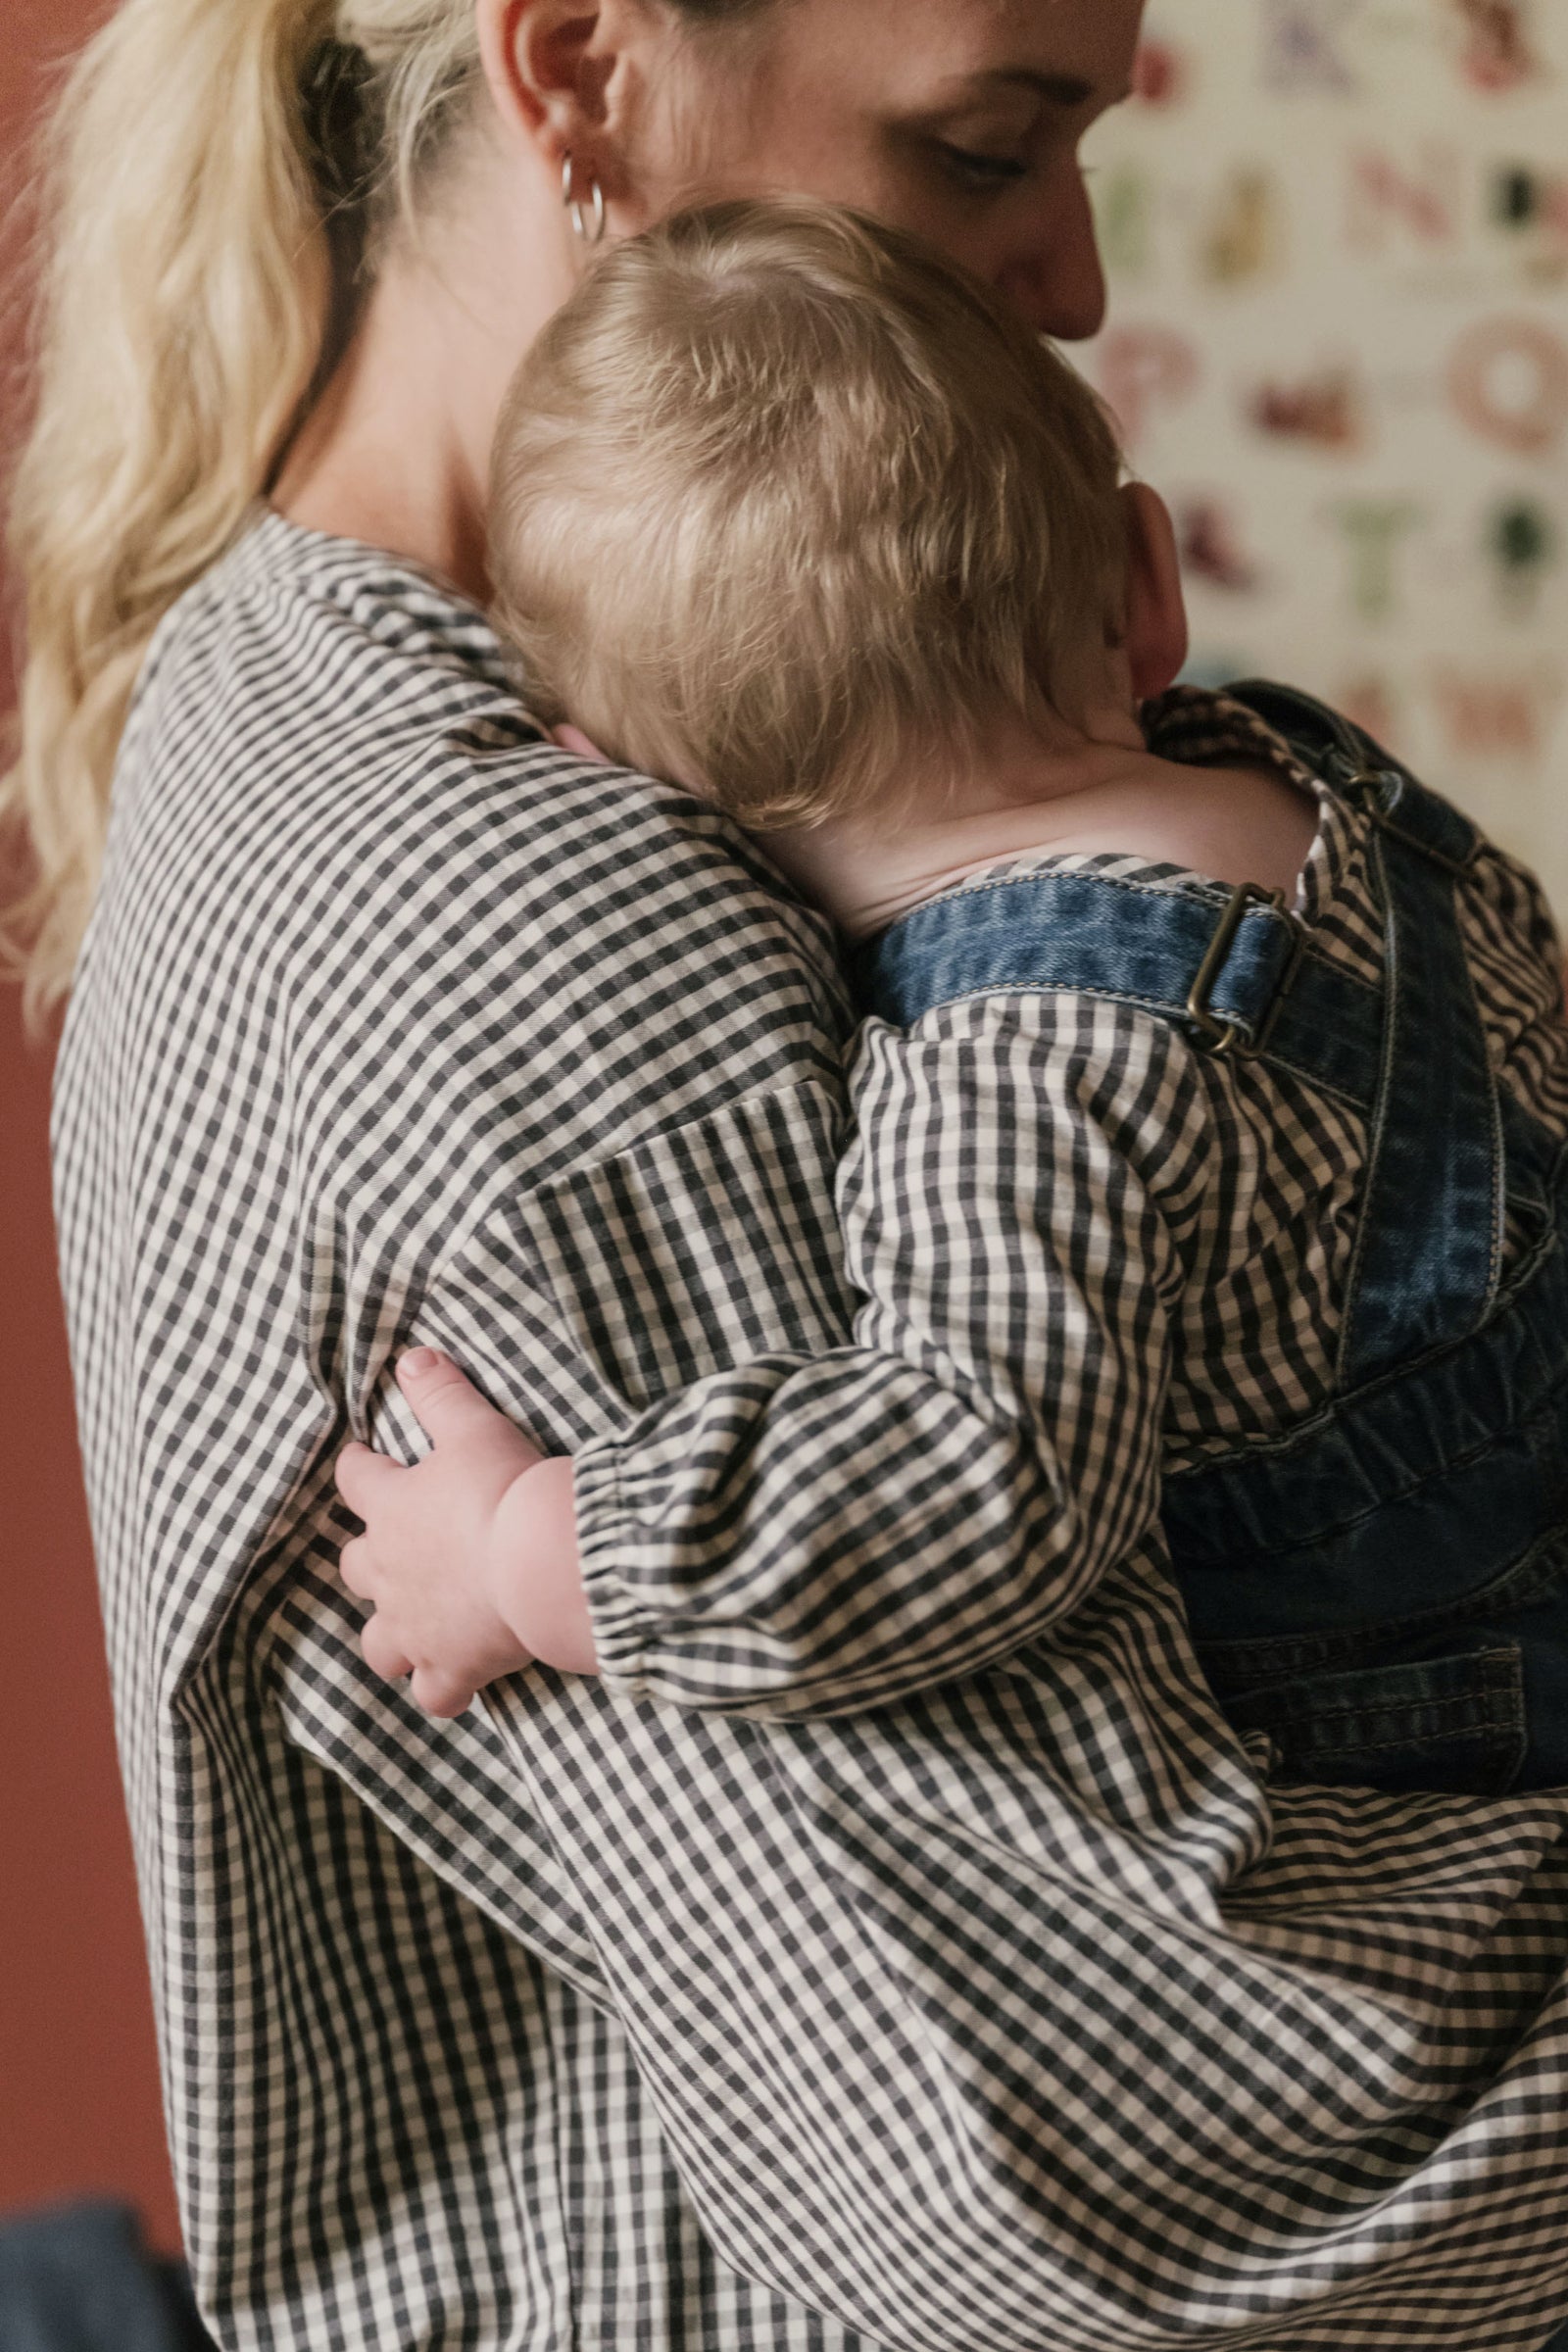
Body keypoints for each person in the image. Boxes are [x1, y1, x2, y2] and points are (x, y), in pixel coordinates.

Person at [4, 0, 1567, 2345]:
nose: (1070, 281)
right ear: (580, 75)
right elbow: (1097, 2196)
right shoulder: (560, 937)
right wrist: (555, 1550)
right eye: (981, 143)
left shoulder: (288, 703)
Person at [336, 197, 1568, 1803]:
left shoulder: (1022, 1069)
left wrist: (532, 1555)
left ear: (640, 804)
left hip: (1449, 1753)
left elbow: (977, 1482)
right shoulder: (1323, 783)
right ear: (1147, 575)